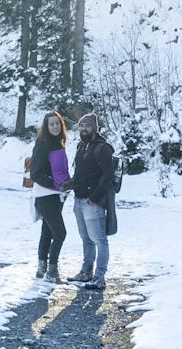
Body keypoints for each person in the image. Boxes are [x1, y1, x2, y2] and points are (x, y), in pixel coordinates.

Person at [69, 109, 119, 289]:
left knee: (99, 240)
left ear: (94, 128)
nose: (83, 129)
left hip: (92, 202)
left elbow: (108, 176)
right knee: (85, 238)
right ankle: (86, 272)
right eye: (81, 125)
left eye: (88, 126)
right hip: (78, 200)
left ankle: (99, 277)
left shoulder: (103, 147)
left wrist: (95, 198)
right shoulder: (81, 146)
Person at [26, 110, 71, 283]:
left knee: (47, 231)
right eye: (51, 124)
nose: (55, 126)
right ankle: (52, 272)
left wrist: (67, 183)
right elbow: (35, 174)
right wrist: (56, 184)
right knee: (60, 233)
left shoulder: (58, 143)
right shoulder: (42, 144)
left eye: (57, 123)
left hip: (56, 195)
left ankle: (42, 269)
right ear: (46, 127)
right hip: (45, 195)